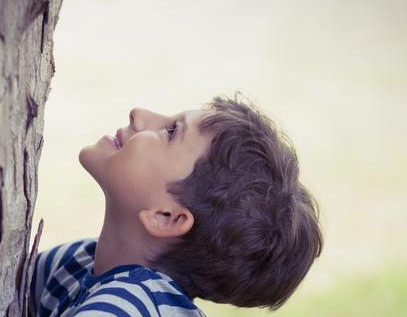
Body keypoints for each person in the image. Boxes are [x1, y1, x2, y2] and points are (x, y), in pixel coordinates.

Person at [30, 94, 323, 316]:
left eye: (170, 132)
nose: (139, 114)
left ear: (166, 217)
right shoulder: (81, 261)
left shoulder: (126, 307)